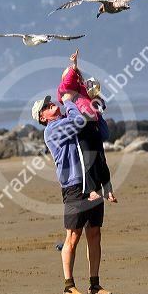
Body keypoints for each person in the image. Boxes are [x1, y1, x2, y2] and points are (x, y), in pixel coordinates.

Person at [31, 93, 117, 294]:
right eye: (47, 105)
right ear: (43, 117)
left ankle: (94, 285)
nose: (53, 104)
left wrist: (95, 106)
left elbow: (101, 134)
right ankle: (68, 286)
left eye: (52, 102)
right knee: (73, 236)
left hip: (92, 183)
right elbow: (78, 121)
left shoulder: (70, 119)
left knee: (94, 233)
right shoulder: (53, 129)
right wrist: (69, 100)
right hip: (73, 186)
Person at [57, 49, 116, 202]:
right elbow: (69, 80)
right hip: (82, 125)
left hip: (94, 124)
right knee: (88, 159)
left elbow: (101, 105)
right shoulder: (66, 91)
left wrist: (97, 99)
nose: (76, 76)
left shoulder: (83, 90)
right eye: (72, 74)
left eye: (77, 74)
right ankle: (92, 191)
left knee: (101, 159)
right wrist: (73, 65)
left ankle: (108, 189)